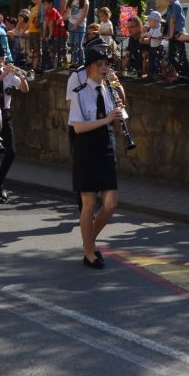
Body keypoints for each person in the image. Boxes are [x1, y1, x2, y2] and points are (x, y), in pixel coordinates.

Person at [69, 44, 124, 269]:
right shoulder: (79, 93)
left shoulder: (110, 90)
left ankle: (89, 240)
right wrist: (106, 119)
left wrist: (118, 115)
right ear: (90, 67)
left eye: (107, 65)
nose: (104, 69)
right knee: (89, 203)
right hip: (86, 147)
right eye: (100, 64)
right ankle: (90, 251)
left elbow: (117, 124)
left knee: (111, 203)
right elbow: (78, 127)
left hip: (106, 145)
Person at [0, 46, 27, 203]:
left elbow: (25, 89)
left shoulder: (9, 73)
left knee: (11, 151)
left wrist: (21, 76)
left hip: (5, 113)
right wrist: (4, 74)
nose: (1, 61)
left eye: (3, 58)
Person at [161, 0, 186, 82]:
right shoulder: (172, 5)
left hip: (177, 34)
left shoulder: (175, 5)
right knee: (173, 56)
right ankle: (183, 75)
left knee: (180, 56)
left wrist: (170, 35)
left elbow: (173, 20)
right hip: (174, 34)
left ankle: (185, 75)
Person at [67, 0, 90, 67]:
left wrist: (76, 25)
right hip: (71, 23)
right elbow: (68, 13)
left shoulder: (85, 1)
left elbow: (84, 15)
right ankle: (74, 61)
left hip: (80, 25)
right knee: (73, 44)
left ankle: (81, 62)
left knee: (78, 44)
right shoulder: (71, 0)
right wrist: (61, 19)